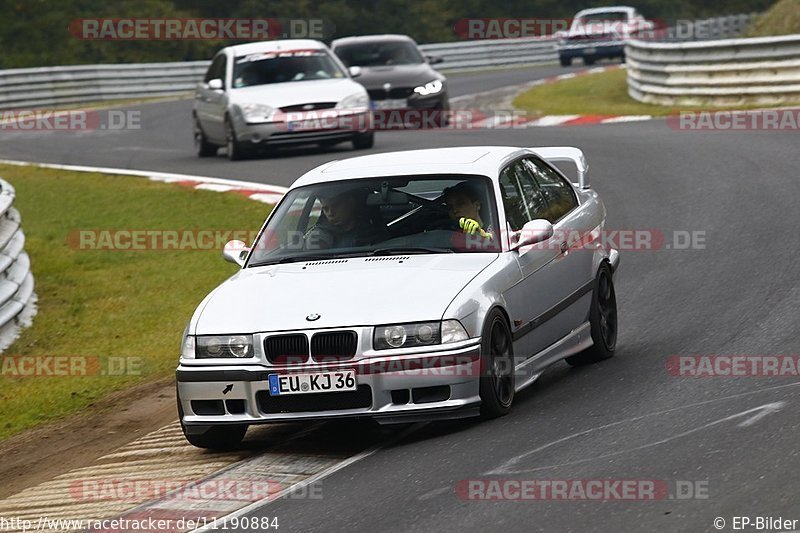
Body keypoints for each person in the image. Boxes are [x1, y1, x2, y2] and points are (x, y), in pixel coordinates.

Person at [304, 189, 385, 250]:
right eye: (326, 209)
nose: (330, 213)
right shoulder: (319, 237)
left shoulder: (371, 233)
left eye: (335, 206)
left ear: (351, 203)